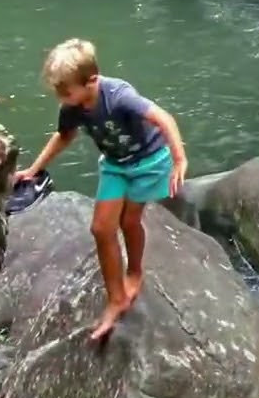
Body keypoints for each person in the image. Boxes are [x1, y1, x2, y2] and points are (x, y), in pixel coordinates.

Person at [13, 38, 188, 341]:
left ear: (91, 80)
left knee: (129, 222)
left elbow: (163, 118)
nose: (62, 98)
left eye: (66, 91)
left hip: (147, 162)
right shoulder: (72, 106)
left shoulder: (119, 96)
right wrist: (33, 169)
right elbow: (63, 136)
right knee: (101, 228)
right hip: (115, 165)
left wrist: (179, 158)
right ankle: (116, 298)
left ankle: (135, 272)